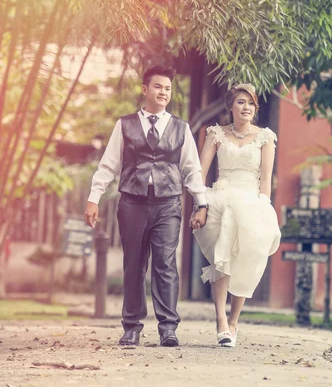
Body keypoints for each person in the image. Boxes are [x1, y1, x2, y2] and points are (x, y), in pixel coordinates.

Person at [84, 65, 208, 347]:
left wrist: (201, 203)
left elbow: (191, 169)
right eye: (158, 87)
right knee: (134, 264)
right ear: (145, 89)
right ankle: (131, 327)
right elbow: (109, 164)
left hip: (168, 204)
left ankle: (168, 328)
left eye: (167, 88)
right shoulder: (124, 124)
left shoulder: (181, 127)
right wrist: (94, 197)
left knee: (165, 264)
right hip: (132, 202)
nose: (163, 92)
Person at [190, 83, 281, 347]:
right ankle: (220, 320)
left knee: (246, 259)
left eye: (251, 103)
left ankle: (233, 321)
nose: (246, 108)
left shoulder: (266, 138)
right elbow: (200, 172)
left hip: (250, 202)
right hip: (220, 199)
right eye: (240, 102)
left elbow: (266, 179)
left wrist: (263, 208)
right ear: (230, 106)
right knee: (222, 258)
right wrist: (200, 204)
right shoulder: (216, 134)